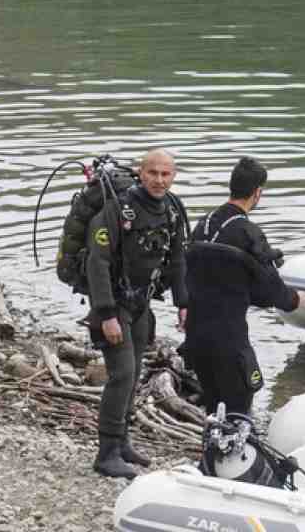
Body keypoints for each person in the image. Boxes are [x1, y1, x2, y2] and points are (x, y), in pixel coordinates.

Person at [86, 148, 189, 480]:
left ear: (173, 176)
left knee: (135, 372)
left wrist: (183, 302)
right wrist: (105, 314)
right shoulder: (118, 210)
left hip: (140, 304)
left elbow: (176, 259)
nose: (159, 180)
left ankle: (123, 440)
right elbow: (97, 262)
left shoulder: (172, 209)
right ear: (140, 173)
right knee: (122, 375)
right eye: (153, 173)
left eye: (166, 174)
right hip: (113, 305)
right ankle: (107, 453)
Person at [181, 157, 300, 423]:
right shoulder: (248, 232)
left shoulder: (204, 223)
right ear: (257, 192)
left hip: (196, 337)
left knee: (213, 410)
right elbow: (273, 292)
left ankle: (209, 458)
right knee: (239, 409)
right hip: (229, 339)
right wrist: (295, 299)